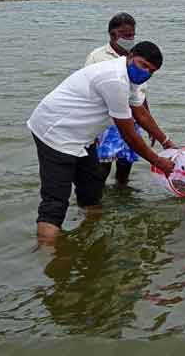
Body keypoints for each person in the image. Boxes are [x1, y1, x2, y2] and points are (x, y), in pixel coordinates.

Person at [27, 41, 176, 243]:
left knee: (92, 187)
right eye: (143, 65)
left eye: (151, 71)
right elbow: (129, 134)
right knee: (55, 201)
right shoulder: (113, 79)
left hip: (82, 137)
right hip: (55, 133)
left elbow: (140, 113)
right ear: (131, 56)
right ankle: (49, 257)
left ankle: (89, 236)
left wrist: (167, 142)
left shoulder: (130, 78)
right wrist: (158, 162)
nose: (146, 73)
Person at [85, 12, 149, 186]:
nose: (130, 38)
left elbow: (140, 94)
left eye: (132, 35)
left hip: (132, 118)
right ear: (113, 35)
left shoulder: (137, 57)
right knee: (102, 166)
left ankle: (122, 195)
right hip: (106, 121)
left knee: (125, 164)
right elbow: (89, 93)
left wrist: (147, 125)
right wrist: (92, 131)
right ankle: (95, 201)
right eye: (126, 35)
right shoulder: (97, 56)